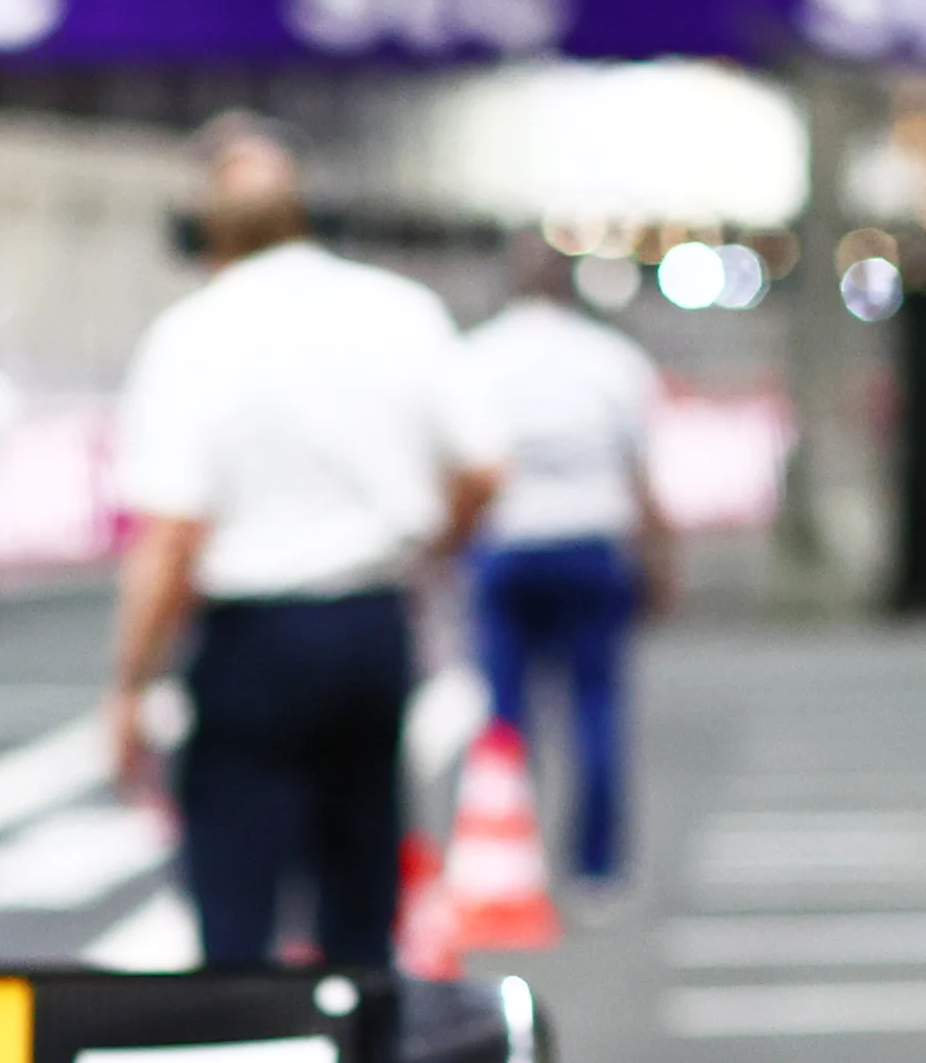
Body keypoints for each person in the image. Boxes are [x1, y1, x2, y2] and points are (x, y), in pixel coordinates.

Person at [108, 115, 504, 970]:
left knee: (236, 884)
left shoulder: (192, 335)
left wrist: (131, 683)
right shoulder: (401, 311)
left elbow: (173, 532)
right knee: (362, 873)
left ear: (203, 228)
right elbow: (481, 470)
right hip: (370, 621)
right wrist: (431, 550)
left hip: (254, 638)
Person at [463, 233, 672, 893]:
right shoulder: (612, 360)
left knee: (504, 716)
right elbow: (644, 481)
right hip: (591, 545)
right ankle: (597, 865)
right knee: (596, 708)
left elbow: (462, 473)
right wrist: (661, 564)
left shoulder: (476, 359)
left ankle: (507, 856)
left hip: (508, 546)